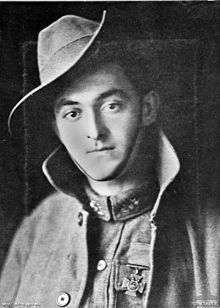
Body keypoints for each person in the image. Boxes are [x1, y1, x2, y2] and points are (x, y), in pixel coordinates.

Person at [0, 10, 219, 308]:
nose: (94, 132)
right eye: (73, 113)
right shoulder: (37, 227)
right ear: (57, 128)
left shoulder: (210, 231)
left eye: (112, 105)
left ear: (147, 109)